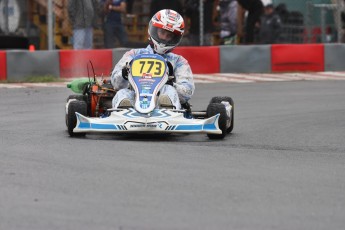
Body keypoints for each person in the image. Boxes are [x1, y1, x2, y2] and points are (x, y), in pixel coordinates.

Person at [110, 9, 195, 110]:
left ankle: (167, 110)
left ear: (175, 38)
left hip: (163, 110)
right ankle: (123, 113)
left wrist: (170, 83)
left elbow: (187, 91)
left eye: (169, 36)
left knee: (168, 90)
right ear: (153, 29)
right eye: (162, 32)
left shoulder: (179, 62)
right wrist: (124, 74)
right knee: (122, 93)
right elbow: (115, 83)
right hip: (135, 99)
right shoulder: (133, 55)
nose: (164, 38)